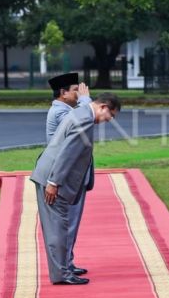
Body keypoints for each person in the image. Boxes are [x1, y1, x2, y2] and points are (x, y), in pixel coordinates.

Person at [30, 92, 121, 285]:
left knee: (58, 225)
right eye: (110, 116)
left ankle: (64, 268)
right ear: (103, 107)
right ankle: (61, 274)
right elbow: (67, 155)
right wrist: (54, 183)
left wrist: (85, 98)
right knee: (58, 226)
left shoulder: (82, 112)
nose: (108, 120)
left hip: (48, 172)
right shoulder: (85, 120)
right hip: (53, 177)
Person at [46, 73, 92, 277]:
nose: (78, 94)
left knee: (71, 222)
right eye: (75, 90)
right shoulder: (60, 112)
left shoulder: (65, 109)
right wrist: (86, 102)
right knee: (67, 223)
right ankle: (64, 267)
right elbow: (82, 122)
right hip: (64, 176)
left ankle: (68, 262)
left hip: (69, 174)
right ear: (63, 94)